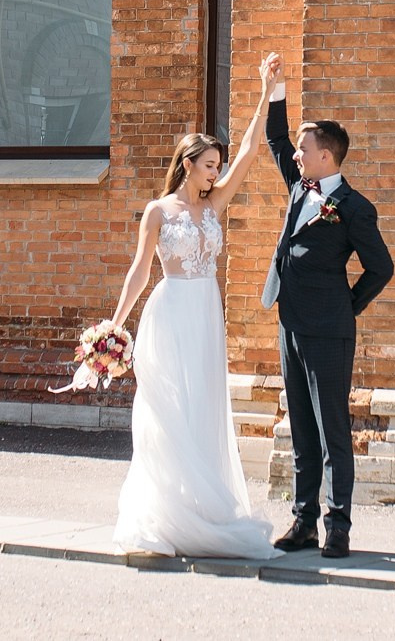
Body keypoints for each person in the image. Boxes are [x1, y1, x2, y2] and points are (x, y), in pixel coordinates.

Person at [105, 55, 283, 559]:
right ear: (188, 165)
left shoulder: (214, 204)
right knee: (168, 409)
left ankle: (201, 511)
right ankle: (164, 512)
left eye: (218, 167)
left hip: (206, 315)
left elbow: (250, 151)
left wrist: (266, 91)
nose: (216, 173)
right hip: (169, 313)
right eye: (209, 165)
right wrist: (116, 326)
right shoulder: (159, 212)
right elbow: (140, 270)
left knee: (203, 406)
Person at [262, 57, 393, 559]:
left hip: (330, 330)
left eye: (305, 148)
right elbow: (276, 142)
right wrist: (276, 90)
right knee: (300, 429)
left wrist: (347, 307)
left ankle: (338, 526)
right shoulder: (300, 187)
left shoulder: (354, 207)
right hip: (290, 325)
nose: (296, 154)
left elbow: (381, 267)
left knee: (333, 428)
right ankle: (303, 523)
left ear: (327, 157)